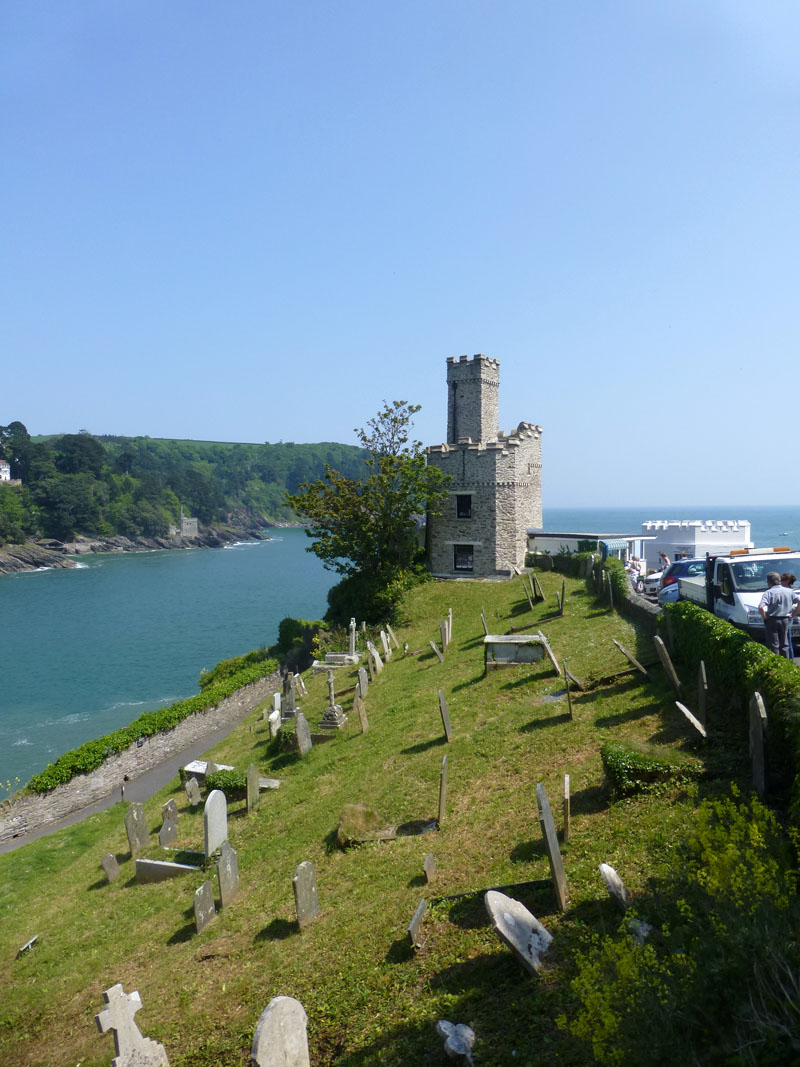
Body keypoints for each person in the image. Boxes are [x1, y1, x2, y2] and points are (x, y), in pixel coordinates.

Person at [759, 572, 799, 658]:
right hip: (785, 619)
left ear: (769, 582)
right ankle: (786, 665)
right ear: (779, 581)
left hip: (772, 620)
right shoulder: (789, 591)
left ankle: (776, 664)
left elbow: (761, 607)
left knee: (774, 644)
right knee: (785, 644)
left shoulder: (768, 592)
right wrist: (794, 614)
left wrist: (765, 616)